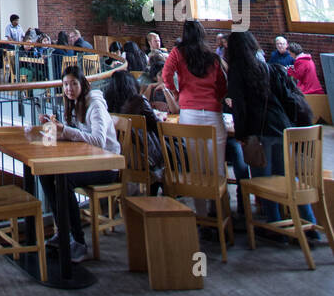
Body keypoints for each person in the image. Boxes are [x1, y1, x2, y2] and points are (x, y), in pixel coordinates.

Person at [225, 31, 319, 241]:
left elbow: (239, 106)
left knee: (264, 180)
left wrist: (241, 134)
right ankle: (309, 224)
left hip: (260, 131)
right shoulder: (267, 68)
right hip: (283, 128)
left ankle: (275, 226)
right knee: (288, 177)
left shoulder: (238, 72)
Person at [38, 66, 121, 260]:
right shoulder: (76, 104)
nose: (69, 88)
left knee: (65, 179)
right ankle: (63, 232)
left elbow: (99, 141)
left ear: (83, 84)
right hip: (89, 161)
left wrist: (65, 131)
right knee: (45, 174)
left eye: (73, 83)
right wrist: (58, 130)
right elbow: (79, 136)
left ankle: (78, 241)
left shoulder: (95, 105)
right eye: (65, 84)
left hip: (107, 164)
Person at [162, 20, 227, 220]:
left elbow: (166, 75)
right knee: (216, 165)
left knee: (197, 168)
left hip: (189, 112)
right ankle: (219, 211)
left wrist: (177, 93)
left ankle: (202, 215)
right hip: (213, 113)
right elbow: (222, 85)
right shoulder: (212, 57)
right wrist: (215, 98)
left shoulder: (178, 53)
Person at [102, 68, 163, 186]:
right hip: (146, 159)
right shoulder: (139, 101)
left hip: (123, 158)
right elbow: (158, 127)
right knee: (177, 146)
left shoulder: (108, 108)